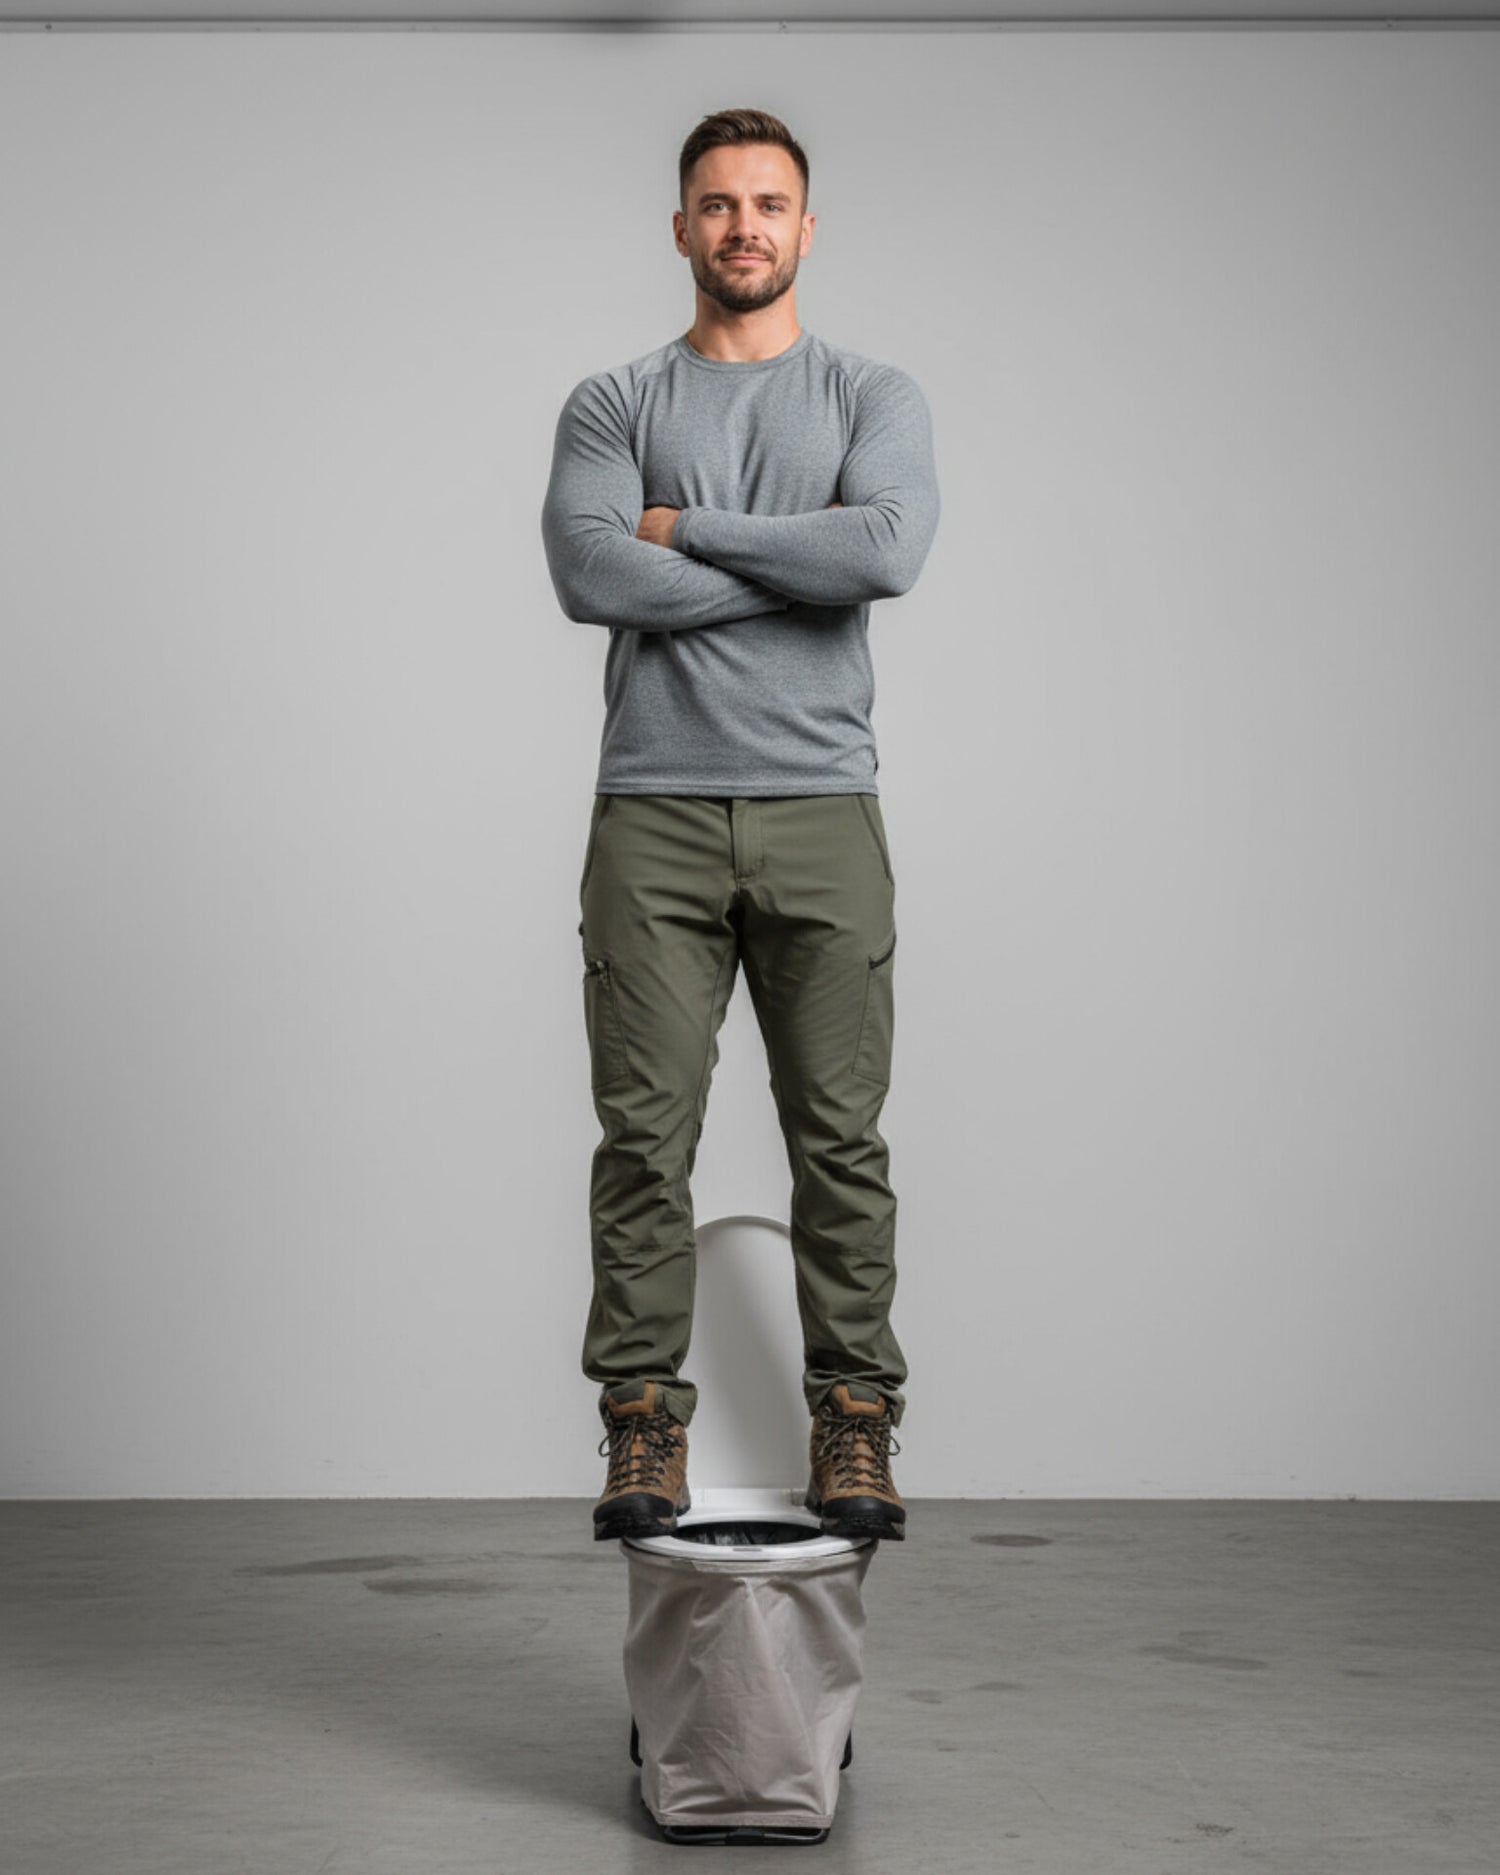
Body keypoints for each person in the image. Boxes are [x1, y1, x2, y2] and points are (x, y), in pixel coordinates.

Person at [540, 107, 940, 1544]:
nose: (744, 227)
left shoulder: (871, 394)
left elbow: (886, 548)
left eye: (769, 204)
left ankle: (856, 1421)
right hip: (652, 812)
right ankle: (642, 1422)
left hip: (823, 805)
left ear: (806, 228)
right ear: (681, 228)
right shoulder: (613, 402)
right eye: (718, 204)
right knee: (643, 1142)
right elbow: (591, 577)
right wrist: (801, 563)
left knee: (840, 1140)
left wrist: (684, 528)